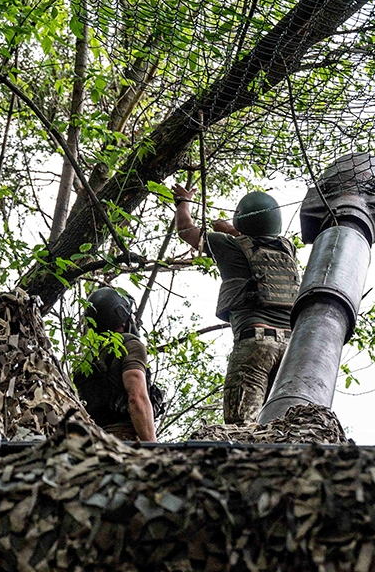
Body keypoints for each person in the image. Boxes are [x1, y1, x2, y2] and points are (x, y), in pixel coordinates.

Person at [172, 184, 300, 424]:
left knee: (242, 427)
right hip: (292, 347)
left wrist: (183, 202)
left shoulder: (226, 245)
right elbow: (256, 238)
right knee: (280, 425)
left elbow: (186, 229)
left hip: (256, 342)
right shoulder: (288, 248)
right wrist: (233, 230)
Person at [72, 287, 157, 442]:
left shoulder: (88, 360)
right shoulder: (130, 345)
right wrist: (153, 447)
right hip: (125, 440)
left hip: (95, 442)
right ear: (122, 316)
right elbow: (137, 398)